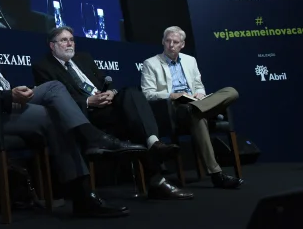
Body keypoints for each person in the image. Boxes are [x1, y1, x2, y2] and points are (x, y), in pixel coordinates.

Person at [0, 5, 148, 218]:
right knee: (54, 116)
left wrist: (17, 93)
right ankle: (86, 175)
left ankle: (87, 168)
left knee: (53, 88)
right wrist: (9, 96)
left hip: (7, 103)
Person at [33, 27, 193, 200]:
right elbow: (55, 100)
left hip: (107, 106)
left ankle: (153, 144)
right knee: (134, 122)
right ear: (52, 45)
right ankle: (157, 180)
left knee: (131, 93)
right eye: (64, 40)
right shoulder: (43, 67)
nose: (70, 43)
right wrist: (88, 102)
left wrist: (111, 93)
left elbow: (104, 83)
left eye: (71, 39)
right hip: (85, 115)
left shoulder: (84, 58)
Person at [141, 26, 244, 189]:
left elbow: (198, 85)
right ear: (162, 42)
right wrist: (170, 95)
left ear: (182, 44)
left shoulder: (190, 60)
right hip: (175, 107)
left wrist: (200, 95)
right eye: (168, 41)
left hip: (195, 103)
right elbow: (147, 94)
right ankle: (217, 175)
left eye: (175, 42)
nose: (171, 45)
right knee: (196, 116)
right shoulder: (151, 63)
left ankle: (196, 108)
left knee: (231, 91)